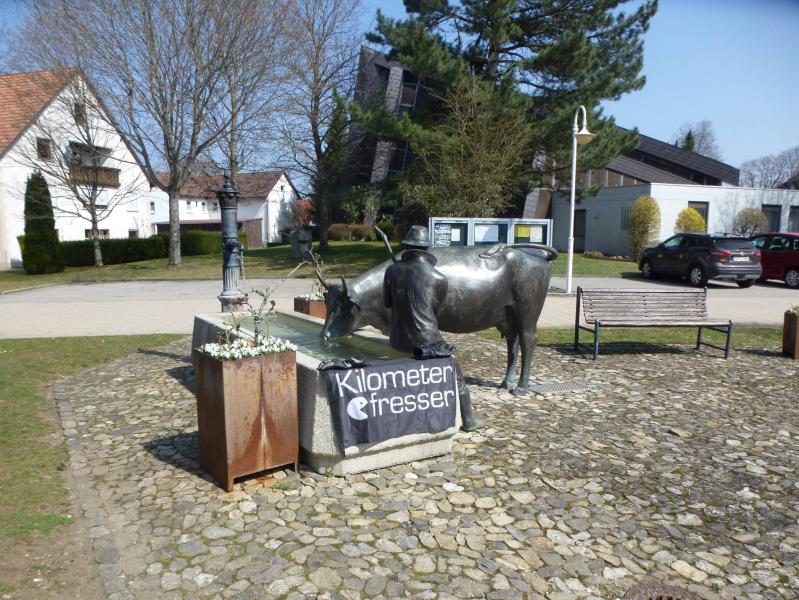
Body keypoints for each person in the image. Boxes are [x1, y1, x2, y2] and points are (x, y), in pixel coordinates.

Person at [383, 225, 484, 431]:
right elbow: (434, 313)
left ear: (407, 247)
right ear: (427, 249)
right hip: (427, 342)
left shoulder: (391, 271)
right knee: (456, 376)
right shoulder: (439, 278)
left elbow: (387, 302)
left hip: (398, 340)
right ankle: (469, 420)